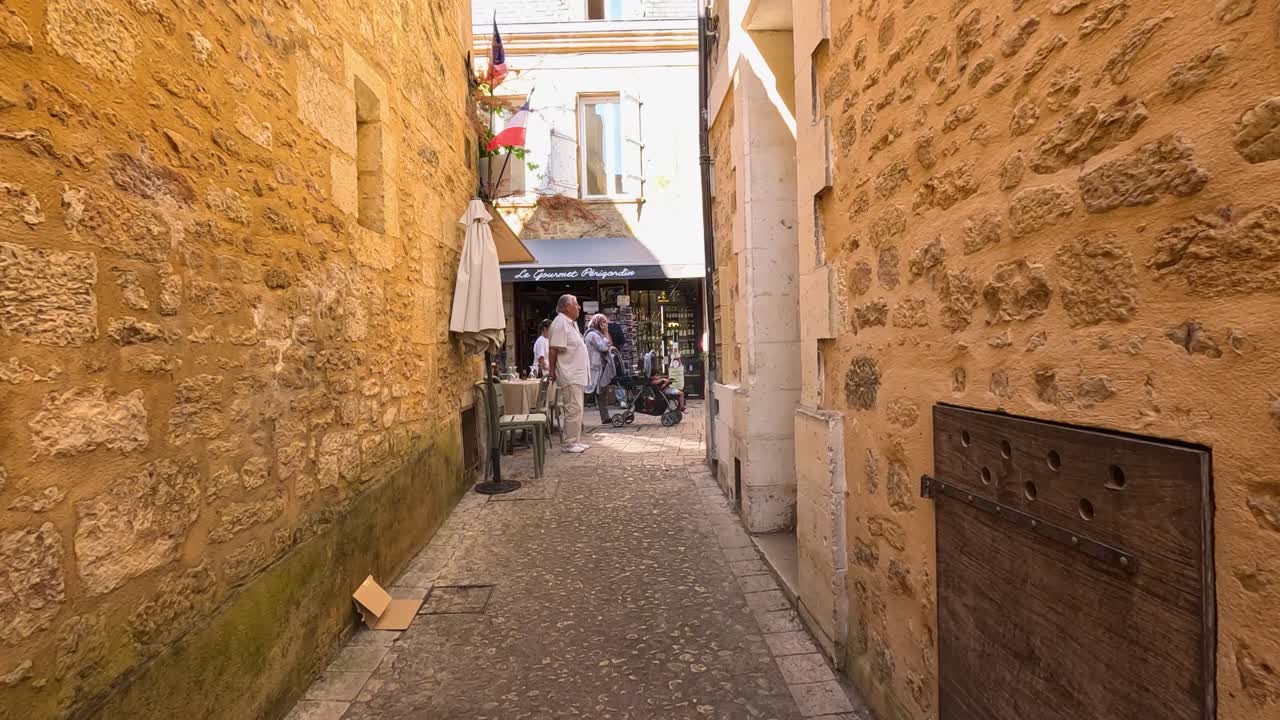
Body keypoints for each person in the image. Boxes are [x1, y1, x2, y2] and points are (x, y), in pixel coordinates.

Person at [548, 294, 590, 453]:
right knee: (573, 408)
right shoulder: (560, 323)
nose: (579, 307)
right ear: (567, 307)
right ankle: (569, 443)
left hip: (575, 373)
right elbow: (553, 349)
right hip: (569, 373)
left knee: (577, 408)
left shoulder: (570, 323)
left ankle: (575, 440)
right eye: (576, 304)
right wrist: (552, 371)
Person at [584, 314, 615, 424]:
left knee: (602, 391)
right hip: (593, 367)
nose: (606, 325)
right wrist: (606, 332)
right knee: (588, 392)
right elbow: (604, 347)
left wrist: (605, 333)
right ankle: (577, 416)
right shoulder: (592, 335)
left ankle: (605, 417)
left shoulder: (598, 334)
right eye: (603, 322)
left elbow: (609, 343)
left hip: (600, 367)